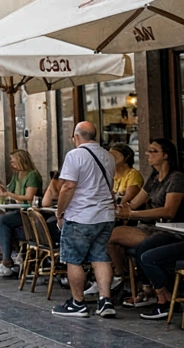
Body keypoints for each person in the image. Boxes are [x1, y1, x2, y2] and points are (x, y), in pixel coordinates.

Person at [52, 122, 118, 318]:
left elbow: (68, 186)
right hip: (105, 216)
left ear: (76, 136)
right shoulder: (108, 156)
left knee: (74, 260)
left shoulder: (75, 155)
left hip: (81, 216)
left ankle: (78, 303)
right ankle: (105, 301)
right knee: (100, 257)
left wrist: (60, 210)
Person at [114, 139, 184, 315]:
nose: (148, 155)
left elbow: (169, 211)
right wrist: (119, 208)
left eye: (153, 151)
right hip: (150, 227)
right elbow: (135, 203)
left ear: (165, 155)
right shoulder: (153, 177)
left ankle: (157, 293)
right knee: (109, 235)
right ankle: (119, 278)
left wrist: (133, 215)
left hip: (171, 230)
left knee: (144, 250)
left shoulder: (176, 178)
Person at [0, 149, 44, 277]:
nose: (11, 164)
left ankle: (6, 260)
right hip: (18, 211)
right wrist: (1, 189)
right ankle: (8, 255)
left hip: (29, 213)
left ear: (21, 161)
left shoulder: (32, 175)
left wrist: (7, 194)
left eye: (13, 161)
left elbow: (28, 196)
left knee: (2, 220)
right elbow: (10, 190)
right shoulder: (17, 175)